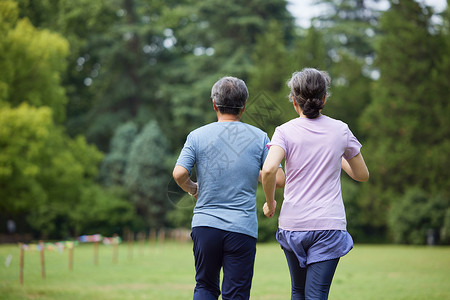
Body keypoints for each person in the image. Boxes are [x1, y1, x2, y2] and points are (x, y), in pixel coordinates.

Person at [173, 76, 285, 300]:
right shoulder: (260, 137)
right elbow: (279, 178)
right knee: (236, 295)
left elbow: (179, 173)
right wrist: (254, 173)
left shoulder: (196, 136)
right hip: (241, 228)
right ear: (244, 106)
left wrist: (193, 189)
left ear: (214, 104)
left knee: (205, 287)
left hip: (205, 225)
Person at [261, 68, 369, 300]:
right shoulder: (341, 130)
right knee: (317, 294)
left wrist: (270, 203)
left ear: (293, 100)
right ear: (324, 99)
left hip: (293, 224)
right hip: (328, 225)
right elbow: (362, 175)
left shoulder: (284, 131)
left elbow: (269, 169)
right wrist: (337, 155)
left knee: (297, 291)